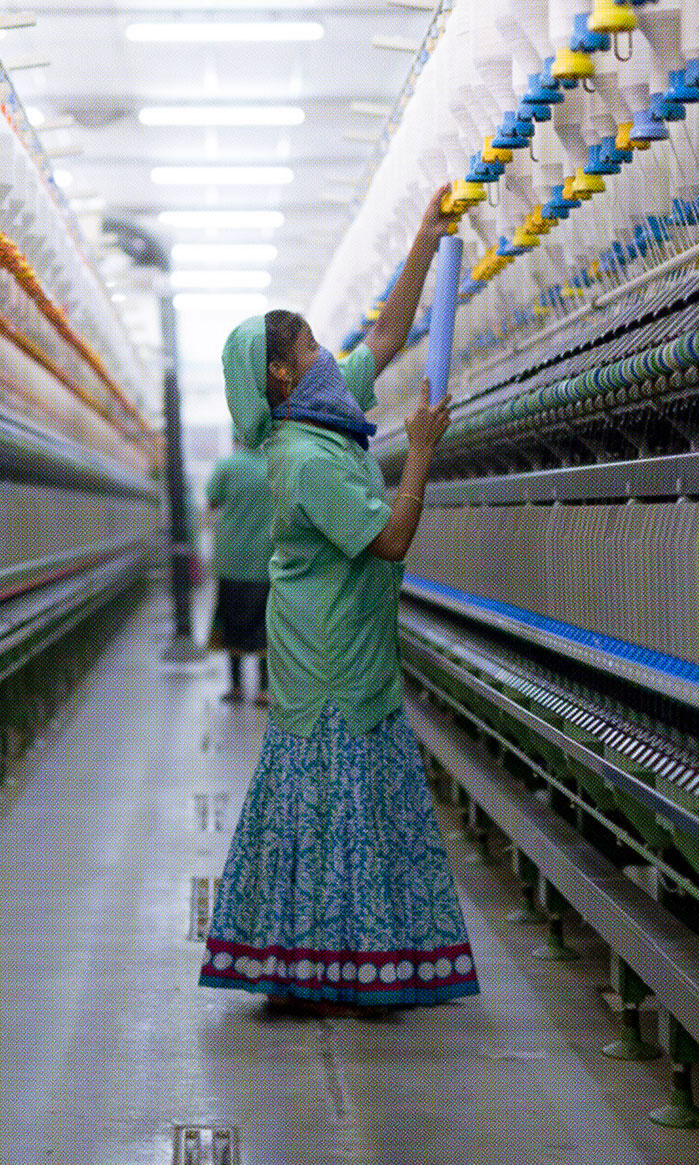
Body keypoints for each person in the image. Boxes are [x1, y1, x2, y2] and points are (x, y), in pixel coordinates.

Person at [199, 186, 476, 1016]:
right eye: (311, 344)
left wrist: (425, 240)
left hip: (350, 640)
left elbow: (388, 337)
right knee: (334, 796)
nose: (326, 350)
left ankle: (337, 958)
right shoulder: (306, 456)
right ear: (280, 373)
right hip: (326, 653)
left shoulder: (327, 413)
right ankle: (326, 964)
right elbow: (391, 540)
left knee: (348, 797)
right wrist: (420, 451)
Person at [205, 435, 275, 704]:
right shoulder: (274, 464)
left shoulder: (226, 466)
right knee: (264, 624)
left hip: (230, 559)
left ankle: (235, 687)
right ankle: (264, 689)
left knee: (231, 620)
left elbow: (212, 499)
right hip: (265, 559)